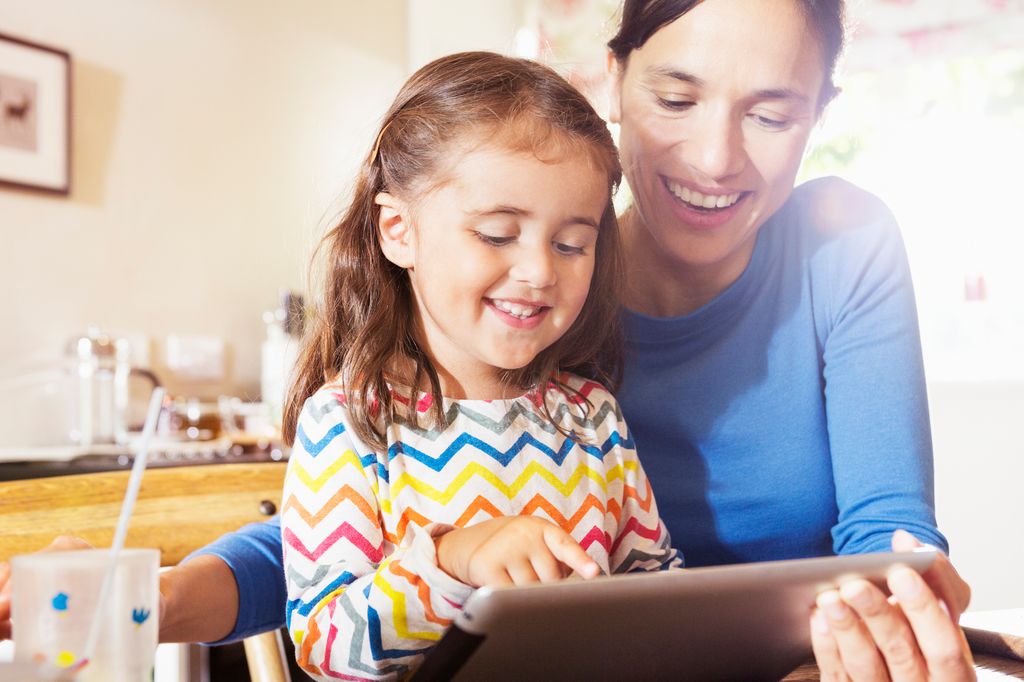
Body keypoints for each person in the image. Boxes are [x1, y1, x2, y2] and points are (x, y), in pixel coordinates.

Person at [1, 0, 974, 678]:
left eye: (771, 112)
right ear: (615, 73)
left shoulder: (594, 386)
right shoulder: (511, 329)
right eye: (677, 98)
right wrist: (153, 596)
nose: (716, 156)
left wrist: (889, 620)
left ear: (821, 117)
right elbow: (323, 551)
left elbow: (882, 539)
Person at [281, 51, 679, 679]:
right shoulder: (348, 421)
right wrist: (450, 561)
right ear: (398, 230)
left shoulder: (591, 416)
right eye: (497, 234)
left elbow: (655, 586)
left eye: (572, 244)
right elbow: (327, 647)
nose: (541, 271)